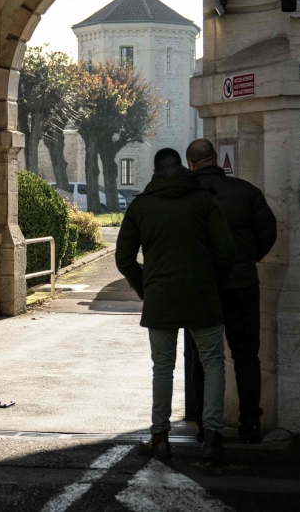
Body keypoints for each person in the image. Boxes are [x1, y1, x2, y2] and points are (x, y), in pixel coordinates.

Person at [115, 148, 236, 462]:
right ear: (183, 169)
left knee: (163, 368)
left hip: (161, 297)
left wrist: (147, 288)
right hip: (202, 295)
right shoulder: (204, 200)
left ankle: (160, 436)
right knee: (213, 363)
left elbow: (124, 258)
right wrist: (213, 284)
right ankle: (212, 436)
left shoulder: (141, 206)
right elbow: (226, 250)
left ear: (154, 173)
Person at [184, 139, 277, 444]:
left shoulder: (185, 195)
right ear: (215, 160)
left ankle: (203, 422)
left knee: (203, 355)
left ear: (192, 164)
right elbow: (267, 232)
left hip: (202, 286)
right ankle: (250, 420)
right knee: (247, 354)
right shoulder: (247, 191)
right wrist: (247, 259)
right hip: (242, 283)